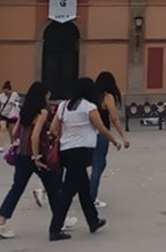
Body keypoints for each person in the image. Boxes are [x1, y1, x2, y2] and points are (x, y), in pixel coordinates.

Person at [0, 82, 77, 239]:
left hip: (22, 155)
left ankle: (0, 223)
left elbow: (15, 132)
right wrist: (36, 157)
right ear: (43, 95)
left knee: (16, 189)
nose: (49, 97)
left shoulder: (24, 111)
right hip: (37, 156)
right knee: (53, 188)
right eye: (48, 94)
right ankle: (60, 221)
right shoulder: (42, 112)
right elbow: (35, 136)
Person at [49, 77, 120, 241]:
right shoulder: (88, 107)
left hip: (66, 151)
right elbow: (101, 128)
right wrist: (114, 140)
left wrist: (66, 135)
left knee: (84, 189)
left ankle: (93, 221)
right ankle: (55, 228)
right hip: (80, 152)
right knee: (68, 192)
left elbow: (53, 129)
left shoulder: (63, 106)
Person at [90, 72, 130, 209]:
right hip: (102, 134)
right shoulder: (107, 97)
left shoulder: (91, 96)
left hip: (88, 134)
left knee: (96, 164)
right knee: (98, 166)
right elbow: (114, 118)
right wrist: (123, 136)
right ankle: (91, 198)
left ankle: (86, 191)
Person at [0, 81, 21, 153]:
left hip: (11, 115)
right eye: (4, 91)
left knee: (11, 131)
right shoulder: (1, 96)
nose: (5, 93)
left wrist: (14, 103)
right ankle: (1, 146)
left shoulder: (15, 94)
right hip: (3, 114)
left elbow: (18, 103)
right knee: (3, 129)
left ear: (10, 90)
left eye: (7, 91)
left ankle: (12, 143)